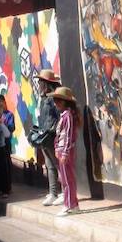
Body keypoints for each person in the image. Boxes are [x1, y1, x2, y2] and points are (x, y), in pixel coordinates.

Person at [49, 86, 80, 216]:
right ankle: (72, 204)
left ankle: (70, 205)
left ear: (65, 102)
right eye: (55, 100)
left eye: (58, 100)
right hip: (61, 150)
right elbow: (59, 135)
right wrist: (57, 148)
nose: (56, 103)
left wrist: (65, 153)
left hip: (66, 151)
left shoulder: (68, 116)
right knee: (65, 179)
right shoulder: (64, 115)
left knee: (67, 180)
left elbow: (68, 135)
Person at [34, 69, 62, 206]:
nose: (39, 84)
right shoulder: (43, 99)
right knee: (49, 165)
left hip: (51, 136)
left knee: (57, 165)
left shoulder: (53, 99)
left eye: (40, 82)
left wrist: (54, 130)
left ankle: (65, 192)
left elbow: (59, 116)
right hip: (43, 136)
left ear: (46, 83)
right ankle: (53, 193)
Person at [0, 94, 15, 194]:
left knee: (6, 166)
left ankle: (7, 188)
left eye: (0, 101)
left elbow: (11, 128)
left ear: (4, 102)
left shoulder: (9, 115)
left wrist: (2, 123)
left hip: (6, 143)